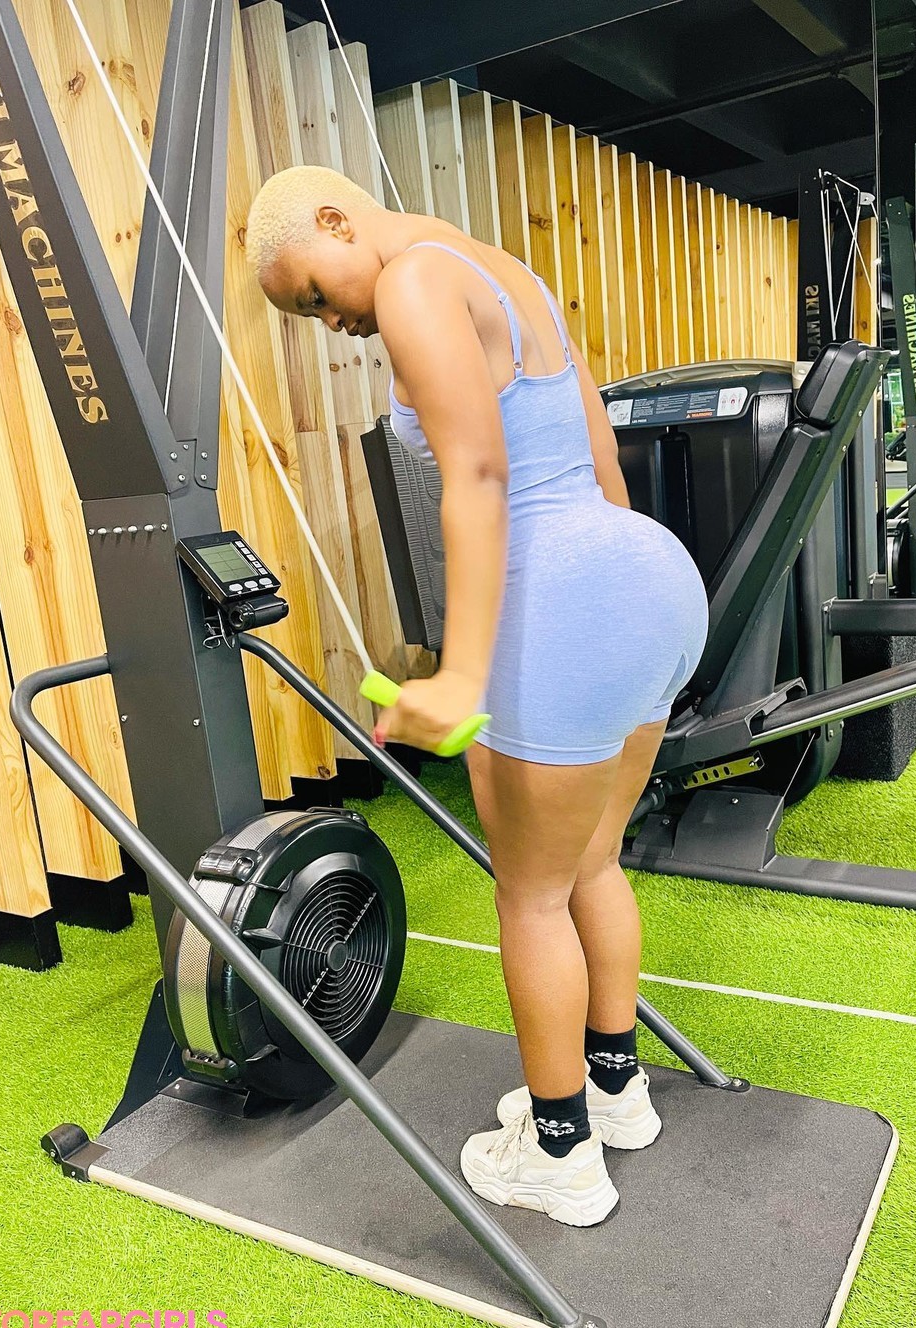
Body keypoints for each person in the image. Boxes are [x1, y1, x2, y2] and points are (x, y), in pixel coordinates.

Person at [245, 166, 708, 1228]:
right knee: (594, 862)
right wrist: (617, 600)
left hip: (563, 599)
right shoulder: (510, 276)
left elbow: (481, 478)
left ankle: (560, 1155)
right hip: (646, 576)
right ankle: (614, 1089)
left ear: (335, 219)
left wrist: (460, 673)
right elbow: (602, 460)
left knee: (532, 896)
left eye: (313, 294)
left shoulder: (412, 280)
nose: (332, 322)